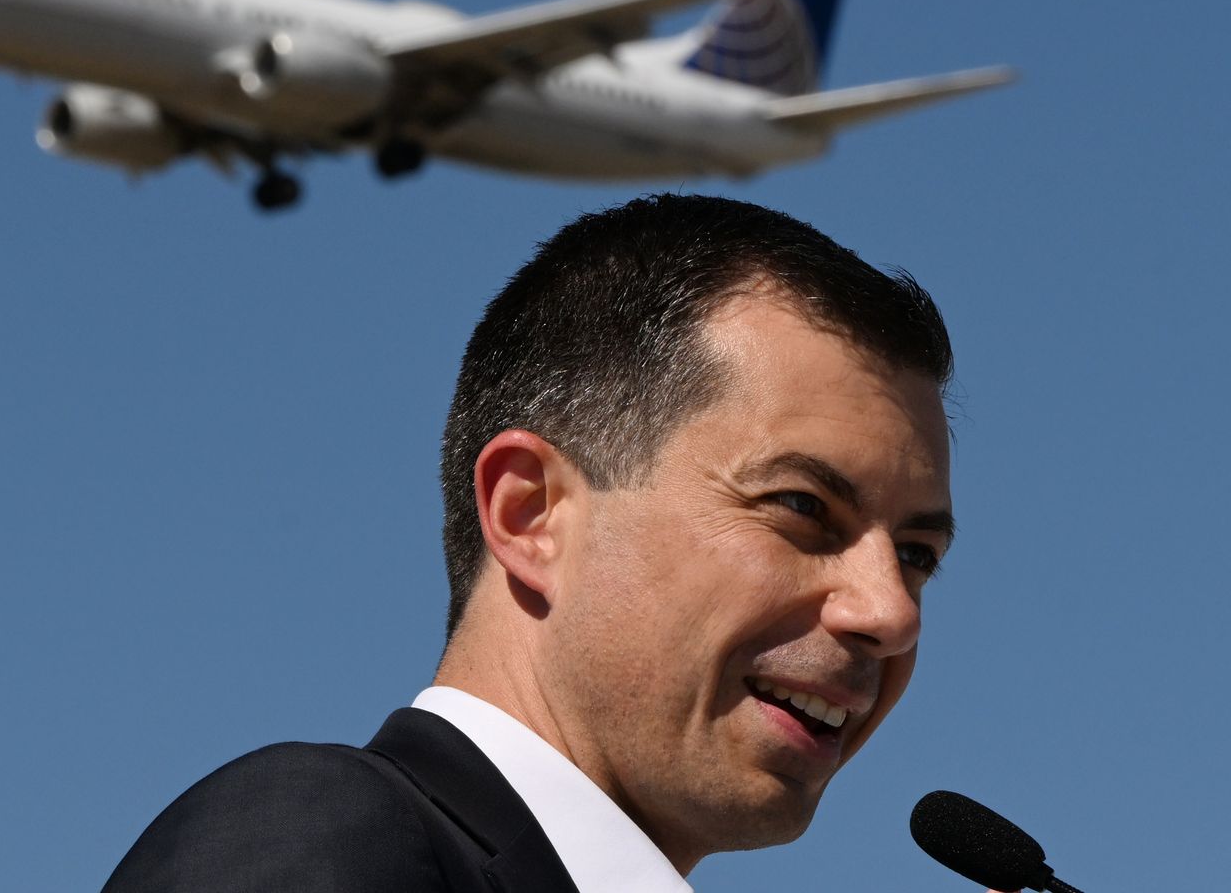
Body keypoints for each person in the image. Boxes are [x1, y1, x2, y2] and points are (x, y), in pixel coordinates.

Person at [102, 194, 958, 892]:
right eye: (803, 507)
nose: (890, 612)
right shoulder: (316, 831)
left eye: (918, 556)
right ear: (531, 515)